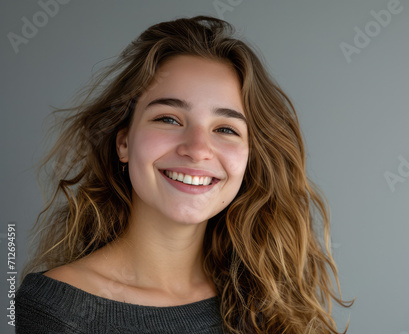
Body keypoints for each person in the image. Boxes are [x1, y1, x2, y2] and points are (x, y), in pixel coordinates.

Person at [16, 16, 352, 333]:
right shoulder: (56, 310)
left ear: (250, 158)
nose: (197, 148)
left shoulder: (268, 302)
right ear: (124, 142)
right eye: (169, 119)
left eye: (225, 128)